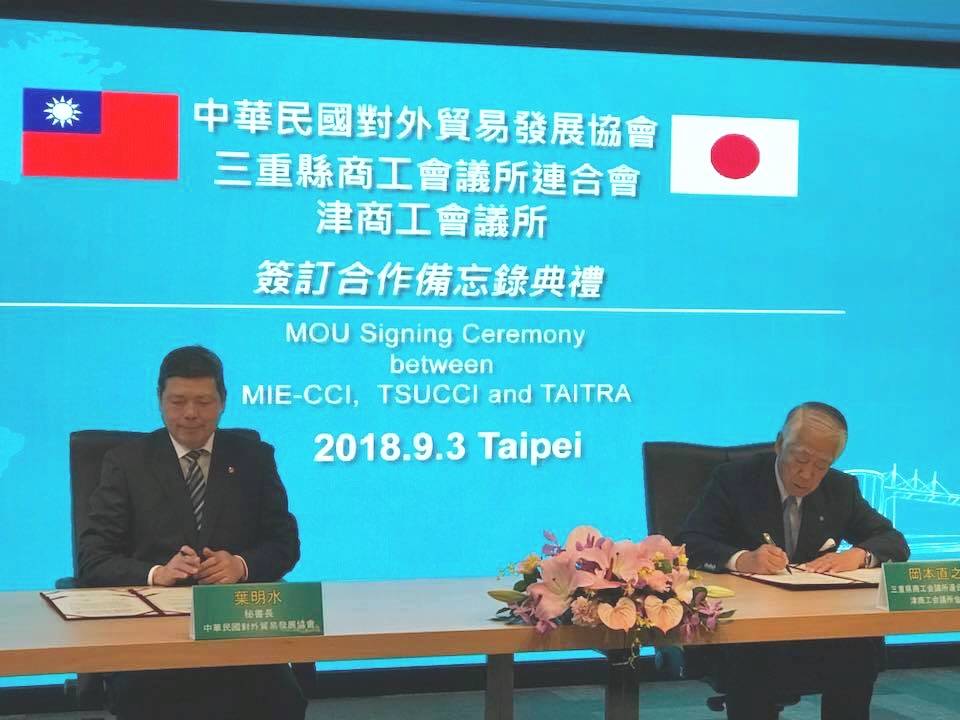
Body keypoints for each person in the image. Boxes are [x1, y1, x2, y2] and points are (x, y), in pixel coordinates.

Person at [78, 345, 306, 720]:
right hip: (152, 635)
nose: (190, 413)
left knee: (280, 699)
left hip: (236, 631)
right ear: (160, 401)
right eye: (178, 401)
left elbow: (285, 543)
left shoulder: (253, 457)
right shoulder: (126, 462)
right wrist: (156, 573)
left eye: (203, 401)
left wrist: (241, 565)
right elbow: (94, 557)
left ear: (223, 402)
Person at [679, 402, 909, 720]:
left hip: (815, 626)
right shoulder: (734, 479)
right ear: (779, 443)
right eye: (800, 459)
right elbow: (690, 542)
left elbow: (893, 541)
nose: (807, 474)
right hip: (751, 630)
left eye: (821, 465)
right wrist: (742, 559)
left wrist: (857, 555)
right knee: (753, 661)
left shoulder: (841, 489)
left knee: (860, 644)